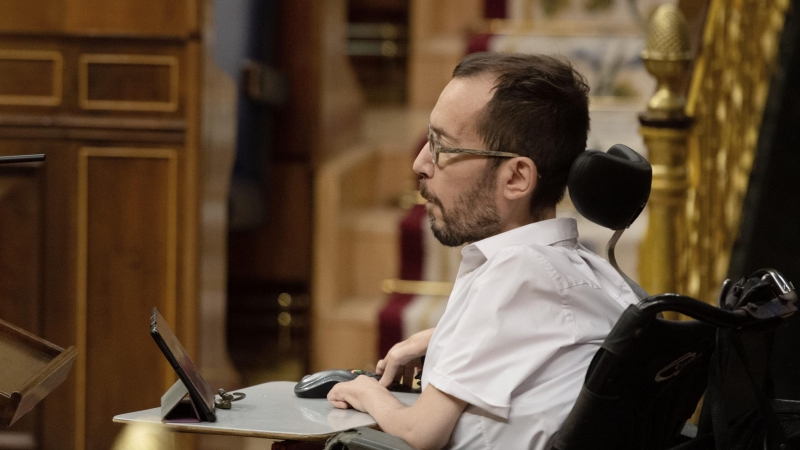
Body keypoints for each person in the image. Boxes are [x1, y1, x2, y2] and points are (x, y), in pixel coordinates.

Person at [327, 52, 639, 449]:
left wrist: (365, 393)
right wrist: (444, 337)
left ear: (516, 177)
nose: (421, 163)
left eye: (443, 145)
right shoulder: (600, 279)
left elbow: (422, 433)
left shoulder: (515, 273)